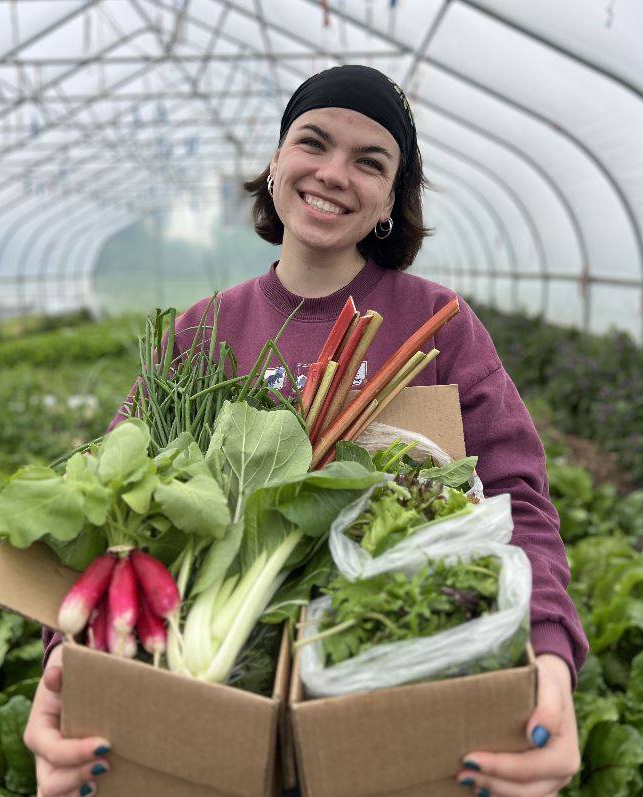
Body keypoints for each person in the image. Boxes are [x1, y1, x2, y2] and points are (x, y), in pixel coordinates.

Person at [29, 65, 587, 797]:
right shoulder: (203, 330)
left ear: (391, 199)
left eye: (369, 162)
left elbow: (518, 498)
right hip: (202, 711)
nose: (333, 173)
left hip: (389, 699)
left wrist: (548, 651)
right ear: (275, 162)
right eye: (313, 142)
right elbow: (104, 503)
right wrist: (67, 665)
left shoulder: (438, 325)